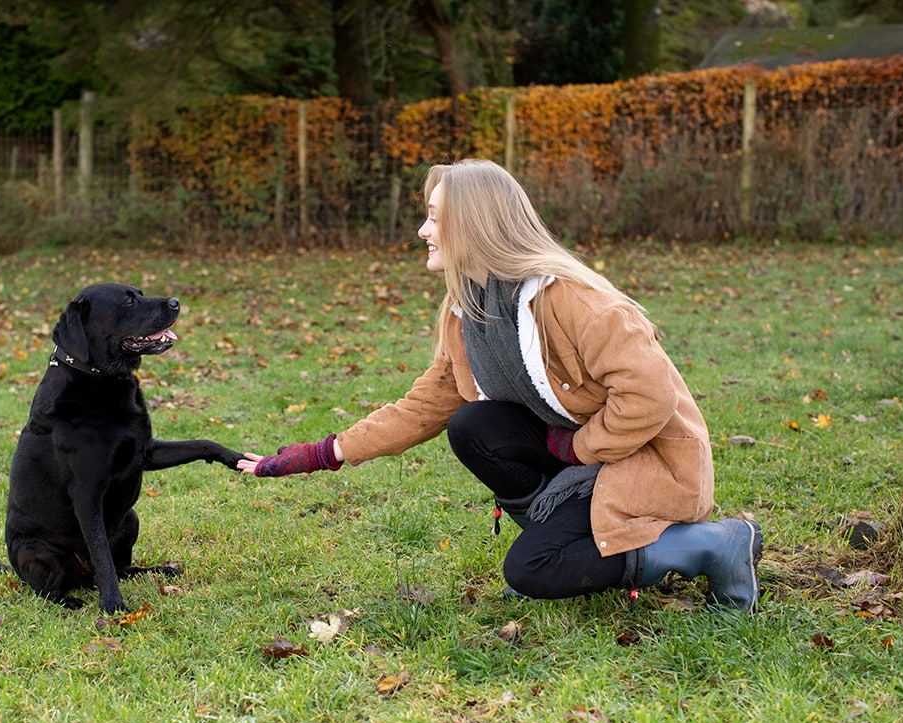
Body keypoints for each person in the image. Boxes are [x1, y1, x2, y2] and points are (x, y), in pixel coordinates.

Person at [237, 159, 761, 613]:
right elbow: (426, 406)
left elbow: (649, 397)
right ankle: (564, 532)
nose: (423, 229)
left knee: (532, 571)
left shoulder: (575, 301)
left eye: (436, 219)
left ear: (477, 226)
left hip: (644, 462)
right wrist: (323, 453)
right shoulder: (470, 307)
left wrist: (579, 447)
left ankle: (712, 544)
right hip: (583, 457)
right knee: (473, 424)